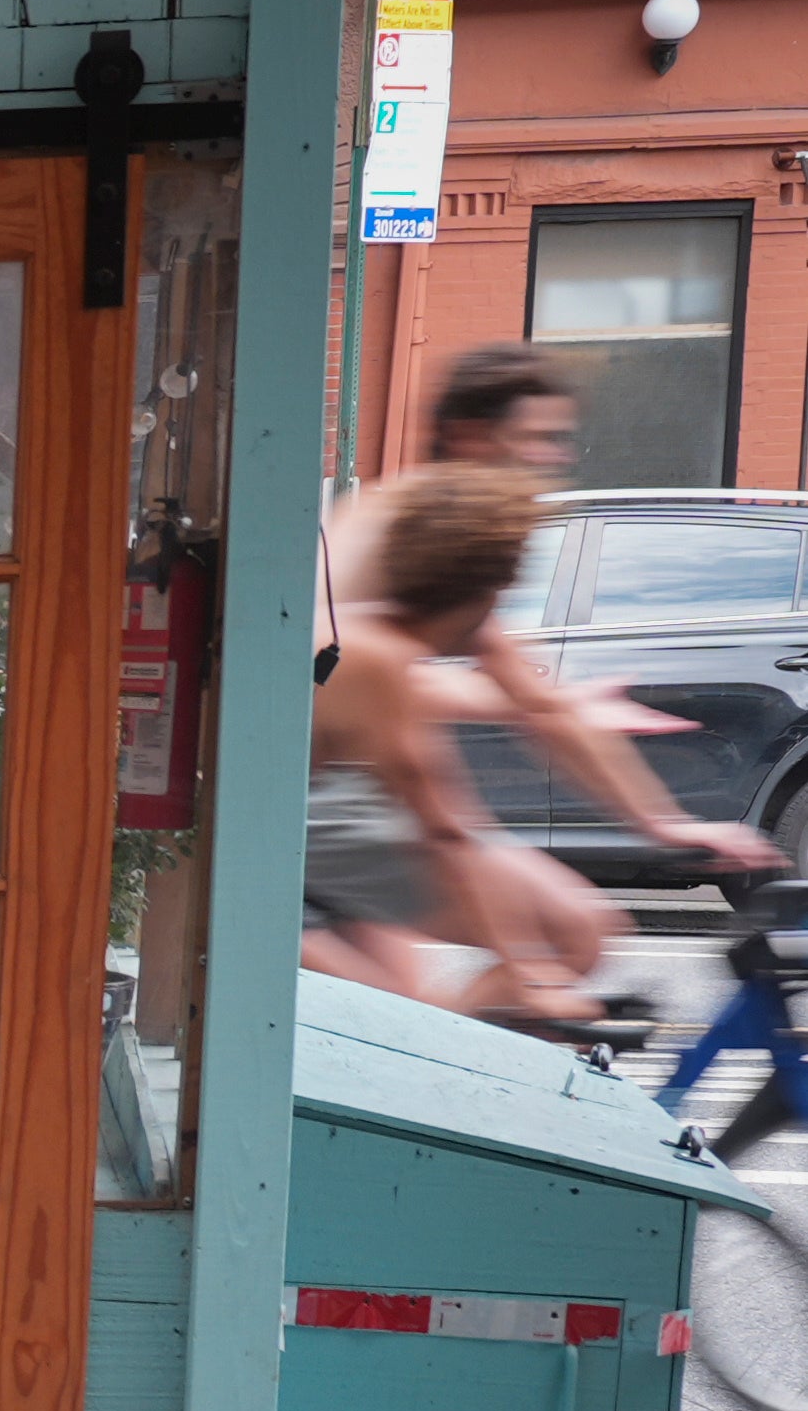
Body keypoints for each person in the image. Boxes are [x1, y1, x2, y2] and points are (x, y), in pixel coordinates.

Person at [322, 343, 779, 1027]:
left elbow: (535, 706)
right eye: (539, 439)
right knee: (556, 938)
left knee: (436, 990)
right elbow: (341, 683)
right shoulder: (404, 532)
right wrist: (533, 974)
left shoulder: (464, 534)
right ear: (470, 435)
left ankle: (438, 1065)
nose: (555, 458)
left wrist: (666, 823)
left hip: (359, 793)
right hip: (314, 800)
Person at [309, 464, 559, 1009]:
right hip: (256, 874)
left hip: (281, 858)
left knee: (404, 1006)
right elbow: (444, 828)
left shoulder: (361, 638)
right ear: (486, 594)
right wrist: (533, 975)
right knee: (392, 1021)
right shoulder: (378, 661)